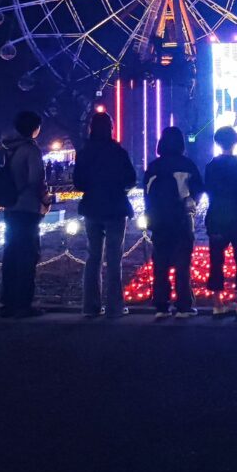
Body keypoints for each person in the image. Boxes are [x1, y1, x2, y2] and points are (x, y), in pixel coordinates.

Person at [73, 110, 137, 318]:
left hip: (92, 207)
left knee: (93, 257)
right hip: (116, 207)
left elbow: (78, 183)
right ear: (110, 128)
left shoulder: (84, 153)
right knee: (114, 256)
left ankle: (90, 306)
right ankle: (114, 307)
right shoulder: (117, 152)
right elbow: (131, 179)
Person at [144, 126, 203, 319]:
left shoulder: (153, 167)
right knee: (182, 262)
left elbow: (146, 193)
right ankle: (183, 305)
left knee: (160, 263)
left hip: (159, 220)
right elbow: (198, 190)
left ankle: (161, 305)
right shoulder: (187, 165)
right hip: (181, 219)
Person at [0, 110, 50, 319]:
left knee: (11, 254)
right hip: (28, 207)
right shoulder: (30, 149)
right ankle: (24, 303)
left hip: (11, 206)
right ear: (34, 128)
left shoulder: (9, 148)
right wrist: (45, 200)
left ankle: (8, 302)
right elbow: (36, 179)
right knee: (28, 255)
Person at [204, 126, 237, 316]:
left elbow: (208, 189)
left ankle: (218, 304)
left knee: (216, 260)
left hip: (217, 216)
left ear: (217, 142)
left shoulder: (211, 166)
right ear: (235, 142)